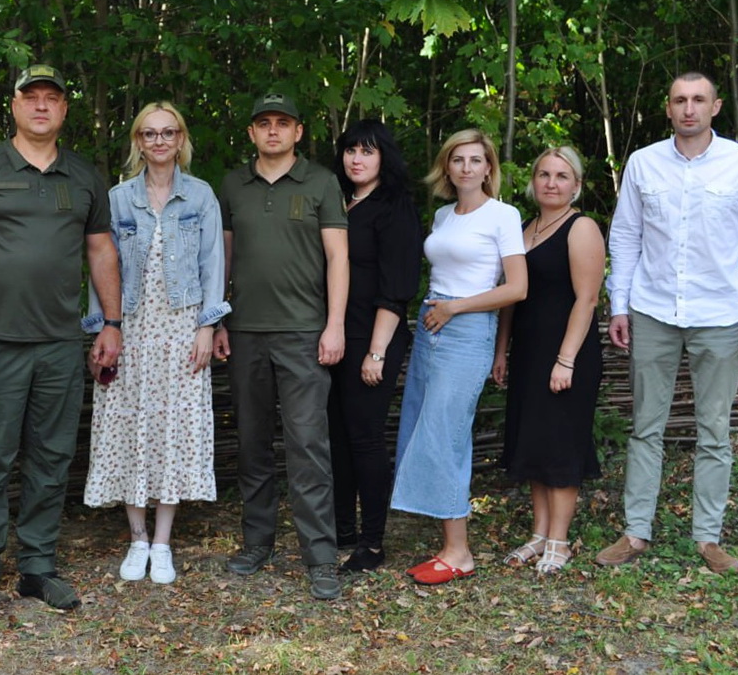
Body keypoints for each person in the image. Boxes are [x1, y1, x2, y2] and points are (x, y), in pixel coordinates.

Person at [0, 64, 123, 621]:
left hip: (60, 344)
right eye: (31, 97)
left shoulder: (84, 176)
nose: (41, 106)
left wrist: (111, 322)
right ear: (14, 107)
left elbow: (100, 253)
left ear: (65, 109)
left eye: (52, 98)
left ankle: (38, 567)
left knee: (51, 458)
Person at [597, 72, 738, 574]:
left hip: (720, 315)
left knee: (714, 432)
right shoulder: (643, 163)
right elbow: (626, 237)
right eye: (680, 99)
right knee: (645, 427)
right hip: (653, 310)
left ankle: (708, 538)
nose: (689, 108)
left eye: (699, 99)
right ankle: (636, 532)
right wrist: (620, 303)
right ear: (668, 107)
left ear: (716, 106)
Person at [82, 102, 230, 585]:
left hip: (183, 329)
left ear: (181, 139)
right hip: (130, 328)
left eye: (169, 133)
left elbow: (214, 265)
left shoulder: (202, 195)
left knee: (177, 430)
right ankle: (137, 538)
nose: (160, 141)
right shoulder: (118, 198)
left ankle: (163, 542)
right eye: (150, 134)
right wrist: (103, 327)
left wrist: (208, 326)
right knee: (128, 427)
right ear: (138, 142)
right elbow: (100, 266)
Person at [213, 92, 349, 600]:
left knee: (308, 445)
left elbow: (338, 258)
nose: (273, 130)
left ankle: (319, 557)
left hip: (304, 333)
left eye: (283, 123)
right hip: (245, 331)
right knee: (252, 442)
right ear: (251, 132)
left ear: (298, 131)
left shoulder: (321, 183)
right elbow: (222, 259)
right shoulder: (233, 184)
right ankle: (257, 542)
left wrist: (334, 325)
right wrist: (218, 318)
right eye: (263, 123)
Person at [392, 129, 527, 585]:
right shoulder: (443, 215)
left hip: (466, 329)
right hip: (433, 326)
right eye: (458, 160)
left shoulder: (503, 215)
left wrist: (456, 308)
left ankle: (459, 553)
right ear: (446, 167)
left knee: (447, 436)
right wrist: (440, 309)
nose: (467, 168)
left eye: (476, 160)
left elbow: (517, 287)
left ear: (489, 167)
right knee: (424, 428)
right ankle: (448, 542)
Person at [492, 147, 604, 574]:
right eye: (543, 174)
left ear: (575, 184)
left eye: (561, 176)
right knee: (535, 442)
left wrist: (566, 359)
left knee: (561, 444)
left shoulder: (581, 228)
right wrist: (502, 350)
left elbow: (587, 298)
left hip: (567, 353)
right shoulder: (523, 228)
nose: (551, 182)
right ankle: (539, 534)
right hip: (528, 352)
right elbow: (511, 297)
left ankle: (560, 539)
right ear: (533, 181)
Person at [327, 119, 421, 573]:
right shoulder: (338, 203)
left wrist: (377, 352)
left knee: (365, 438)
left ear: (383, 156)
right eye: (350, 151)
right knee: (338, 437)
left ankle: (372, 542)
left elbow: (398, 287)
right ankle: (342, 529)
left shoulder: (393, 206)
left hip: (373, 335)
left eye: (367, 151)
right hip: (333, 334)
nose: (357, 159)